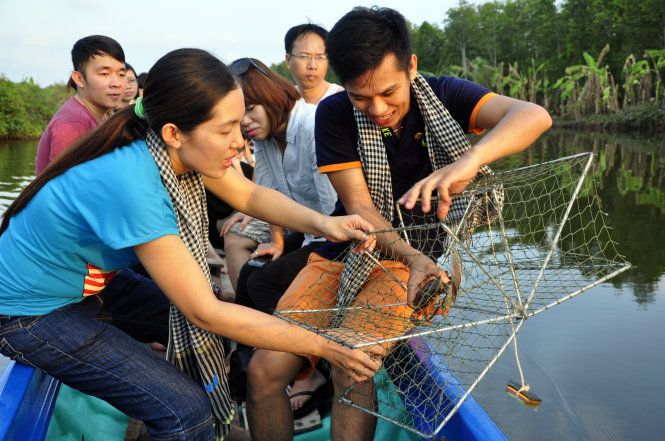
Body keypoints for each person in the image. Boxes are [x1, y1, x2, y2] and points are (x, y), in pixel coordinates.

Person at [0, 48, 384, 441]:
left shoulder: (170, 149)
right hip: (31, 311)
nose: (238, 142)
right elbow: (205, 312)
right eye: (225, 129)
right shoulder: (134, 185)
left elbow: (249, 195)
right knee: (185, 412)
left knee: (205, 333)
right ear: (174, 133)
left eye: (239, 124)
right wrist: (325, 345)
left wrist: (325, 223)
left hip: (89, 284)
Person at [246, 7, 552, 441]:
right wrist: (411, 256)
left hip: (410, 266)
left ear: (411, 66)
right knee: (263, 371)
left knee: (352, 364)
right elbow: (360, 208)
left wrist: (468, 162)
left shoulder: (446, 94)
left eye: (388, 92)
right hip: (349, 246)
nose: (377, 108)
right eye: (360, 97)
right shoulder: (334, 113)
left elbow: (534, 116)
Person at [35, 35, 126, 174]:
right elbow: (67, 185)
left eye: (121, 74)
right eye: (104, 74)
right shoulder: (73, 125)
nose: (117, 83)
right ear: (79, 78)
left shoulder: (100, 116)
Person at [284, 23, 343, 104]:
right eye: (304, 56)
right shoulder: (282, 101)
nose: (312, 66)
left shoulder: (342, 99)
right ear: (288, 60)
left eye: (320, 57)